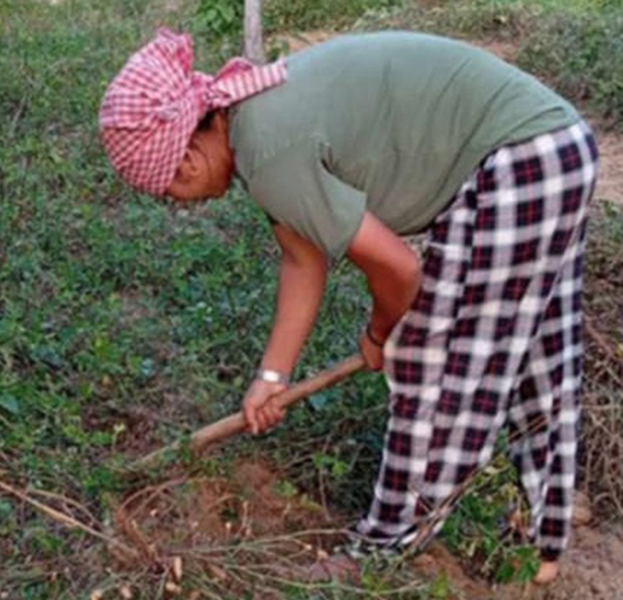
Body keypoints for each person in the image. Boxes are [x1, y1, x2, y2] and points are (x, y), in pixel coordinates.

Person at [98, 29, 597, 585]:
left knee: (434, 364)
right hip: (552, 146)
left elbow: (400, 269)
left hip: (521, 160)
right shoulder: (255, 125)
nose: (178, 204)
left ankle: (382, 549)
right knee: (534, 352)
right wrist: (271, 376)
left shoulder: (268, 150)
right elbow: (302, 261)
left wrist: (383, 333)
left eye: (168, 194)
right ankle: (543, 541)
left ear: (186, 159)